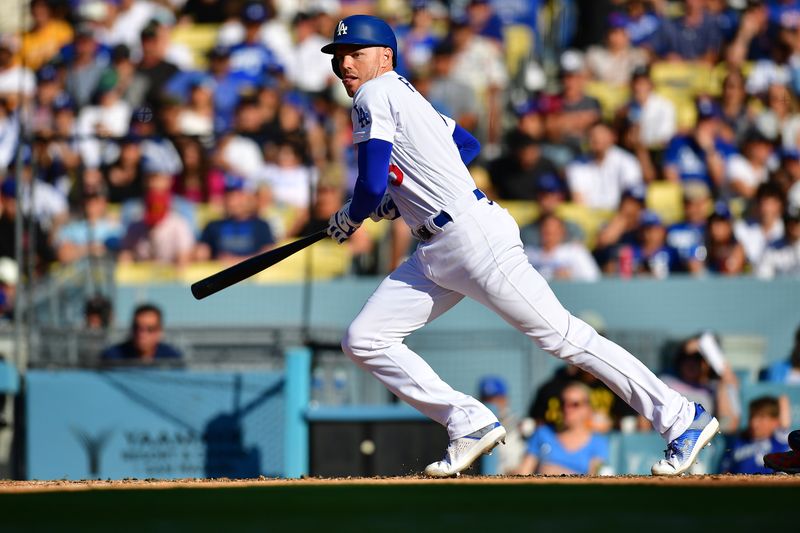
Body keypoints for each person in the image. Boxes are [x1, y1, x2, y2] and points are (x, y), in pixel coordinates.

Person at [320, 14, 719, 478]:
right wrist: (401, 194)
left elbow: (368, 185)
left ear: (385, 57)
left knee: (564, 337)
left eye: (356, 53)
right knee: (364, 339)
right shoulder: (409, 96)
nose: (345, 63)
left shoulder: (375, 91)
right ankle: (467, 420)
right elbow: (464, 145)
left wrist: (354, 215)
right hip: (437, 248)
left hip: (470, 237)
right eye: (340, 56)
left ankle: (680, 416)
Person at [515, 382, 610, 476]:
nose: (567, 408)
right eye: (563, 403)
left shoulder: (598, 443)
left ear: (587, 408)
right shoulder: (543, 433)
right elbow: (523, 473)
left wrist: (557, 474)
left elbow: (595, 482)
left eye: (575, 404)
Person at [194, 175, 276, 263]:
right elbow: (201, 254)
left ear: (250, 199)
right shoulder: (213, 226)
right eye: (230, 196)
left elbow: (269, 254)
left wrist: (238, 261)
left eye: (239, 196)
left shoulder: (262, 225)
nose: (233, 201)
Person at [719, 396, 791, 474]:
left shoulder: (781, 441)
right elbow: (725, 471)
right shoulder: (738, 441)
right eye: (752, 417)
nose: (754, 423)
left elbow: (784, 401)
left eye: (761, 417)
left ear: (775, 421)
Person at [524, 214, 601, 282]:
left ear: (562, 232)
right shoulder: (528, 254)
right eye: (546, 232)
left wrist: (571, 277)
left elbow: (592, 279)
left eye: (553, 232)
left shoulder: (576, 252)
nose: (549, 236)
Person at [101, 303, 182, 362]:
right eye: (137, 327)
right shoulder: (111, 358)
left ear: (159, 331)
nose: (142, 334)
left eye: (150, 329)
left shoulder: (172, 359)